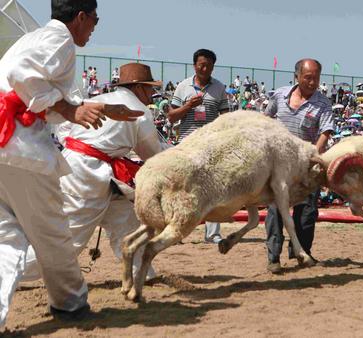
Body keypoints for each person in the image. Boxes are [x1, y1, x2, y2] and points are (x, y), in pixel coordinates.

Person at [0, 0, 143, 325]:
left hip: (6, 146)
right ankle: (70, 304)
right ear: (81, 17)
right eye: (95, 19)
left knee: (8, 239)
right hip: (22, 152)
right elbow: (20, 75)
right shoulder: (59, 39)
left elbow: (32, 91)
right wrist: (70, 111)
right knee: (53, 233)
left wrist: (103, 110)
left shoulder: (33, 39)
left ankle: (65, 303)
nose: (95, 27)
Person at [21, 62, 164, 284]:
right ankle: (9, 270)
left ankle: (142, 274)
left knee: (126, 220)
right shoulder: (140, 112)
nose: (153, 93)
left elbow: (65, 129)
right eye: (150, 87)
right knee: (69, 240)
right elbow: (152, 155)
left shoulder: (99, 100)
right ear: (139, 88)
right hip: (87, 174)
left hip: (86, 168)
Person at [263, 58, 334, 273]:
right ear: (297, 76)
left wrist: (312, 153)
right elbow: (265, 119)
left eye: (316, 78)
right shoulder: (279, 95)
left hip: (306, 165)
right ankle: (273, 257)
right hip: (279, 164)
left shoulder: (323, 103)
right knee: (275, 211)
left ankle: (301, 251)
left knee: (306, 213)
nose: (312, 82)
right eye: (308, 78)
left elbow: (326, 132)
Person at [168, 49, 228, 244]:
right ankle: (176, 232)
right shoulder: (183, 87)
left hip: (210, 146)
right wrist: (188, 107)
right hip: (186, 145)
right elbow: (171, 116)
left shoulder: (219, 88)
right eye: (202, 64)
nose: (205, 68)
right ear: (194, 65)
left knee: (212, 190)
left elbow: (225, 118)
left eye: (209, 65)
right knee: (181, 190)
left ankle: (213, 234)